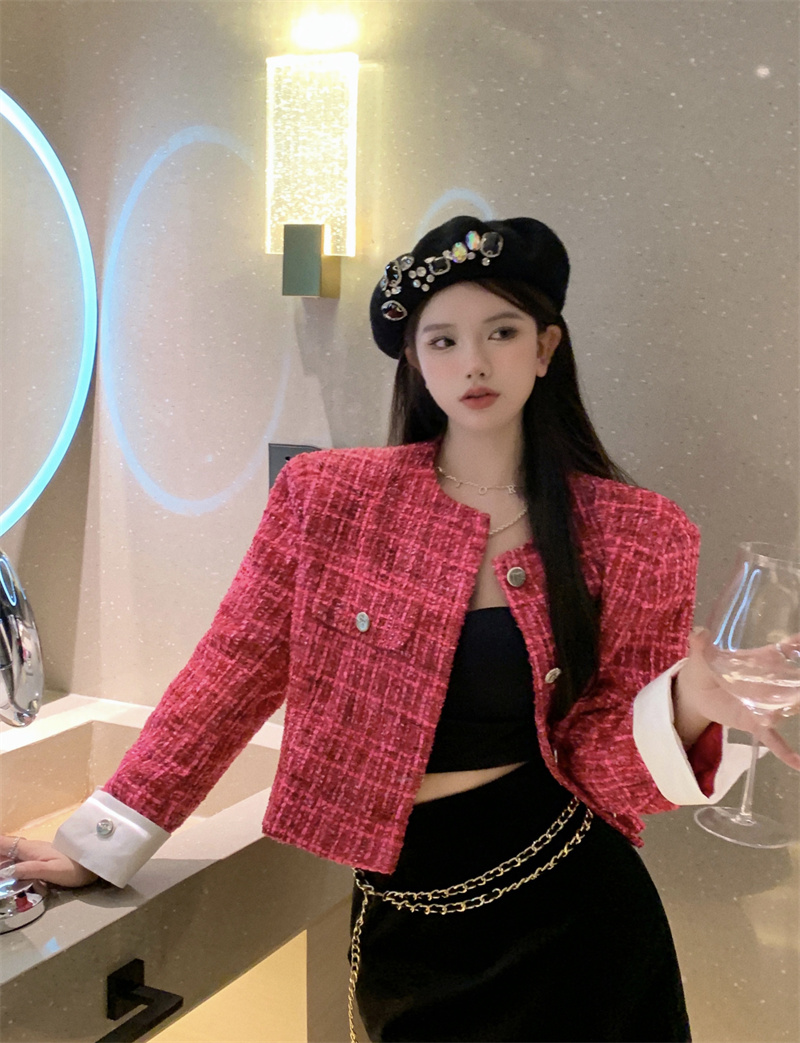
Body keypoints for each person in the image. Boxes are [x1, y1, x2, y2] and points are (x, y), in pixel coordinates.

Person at [3, 216, 799, 1043]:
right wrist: (104, 838)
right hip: (405, 911)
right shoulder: (328, 499)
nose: (474, 362)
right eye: (443, 340)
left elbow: (608, 773)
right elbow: (231, 672)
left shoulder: (639, 532)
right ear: (415, 360)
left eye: (502, 332)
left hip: (574, 912)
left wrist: (688, 703)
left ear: (545, 347)